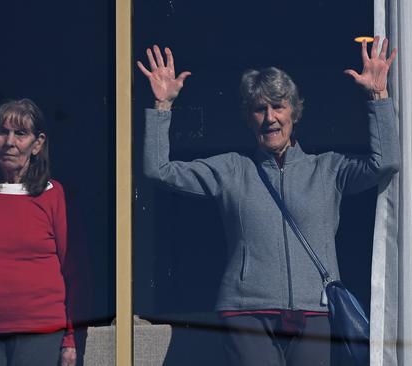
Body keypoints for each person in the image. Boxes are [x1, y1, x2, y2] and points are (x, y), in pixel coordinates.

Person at [137, 37, 398, 365]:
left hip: (314, 311)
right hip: (247, 313)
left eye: (278, 106)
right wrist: (163, 106)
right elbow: (159, 170)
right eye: (260, 109)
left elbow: (385, 162)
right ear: (248, 117)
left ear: (294, 112)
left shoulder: (328, 168)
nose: (270, 117)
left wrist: (378, 96)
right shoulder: (233, 169)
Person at [0, 99, 76, 366]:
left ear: (37, 144)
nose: (10, 141)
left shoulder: (52, 194)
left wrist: (69, 337)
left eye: (21, 133)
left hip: (40, 329)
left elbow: (71, 270)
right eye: (3, 132)